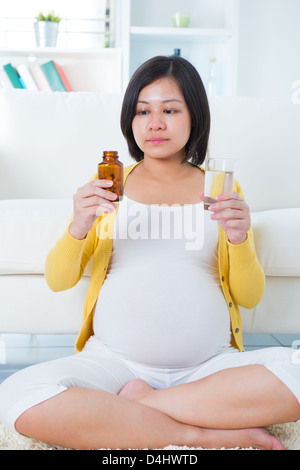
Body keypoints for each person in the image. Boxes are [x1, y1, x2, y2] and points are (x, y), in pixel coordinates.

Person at [0, 55, 299, 451]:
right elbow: (60, 280)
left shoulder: (220, 186)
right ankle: (197, 434)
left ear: (195, 117)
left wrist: (240, 240)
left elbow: (249, 296)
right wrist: (78, 225)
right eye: (143, 111)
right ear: (130, 121)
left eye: (170, 110)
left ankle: (145, 406)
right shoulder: (109, 183)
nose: (154, 122)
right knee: (16, 395)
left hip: (210, 368)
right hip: (114, 365)